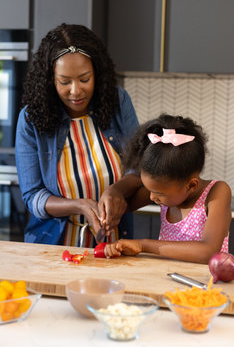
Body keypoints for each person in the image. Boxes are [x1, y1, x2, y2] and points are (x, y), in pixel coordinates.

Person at [15, 23, 141, 246]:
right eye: (64, 82)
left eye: (84, 79)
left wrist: (117, 190)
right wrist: (79, 205)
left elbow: (140, 167)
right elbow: (33, 196)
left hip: (114, 244)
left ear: (97, 73)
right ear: (50, 80)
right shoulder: (31, 119)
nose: (75, 91)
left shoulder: (117, 102)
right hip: (52, 248)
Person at [104, 114, 232, 264]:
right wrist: (113, 192)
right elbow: (121, 205)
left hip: (206, 284)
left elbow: (208, 252)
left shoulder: (217, 192)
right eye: (149, 189)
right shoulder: (166, 191)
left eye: (158, 193)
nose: (151, 197)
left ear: (191, 185)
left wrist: (143, 245)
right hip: (167, 278)